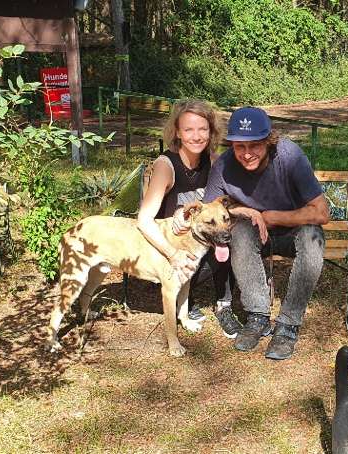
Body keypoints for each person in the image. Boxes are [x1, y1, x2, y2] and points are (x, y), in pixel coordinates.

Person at [202, 106, 329, 360]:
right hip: (254, 232)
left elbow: (322, 212)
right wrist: (247, 212)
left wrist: (272, 217)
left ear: (268, 141)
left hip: (295, 230)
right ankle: (257, 315)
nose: (247, 153)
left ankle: (288, 324)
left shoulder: (289, 155)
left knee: (312, 240)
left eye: (255, 145)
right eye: (240, 147)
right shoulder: (224, 165)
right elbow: (210, 209)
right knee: (239, 233)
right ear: (231, 144)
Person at [137, 99, 242, 338]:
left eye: (203, 129)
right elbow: (143, 219)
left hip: (202, 243)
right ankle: (184, 298)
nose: (196, 136)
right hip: (172, 248)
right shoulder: (166, 165)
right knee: (216, 246)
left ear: (211, 131)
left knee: (231, 238)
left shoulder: (214, 161)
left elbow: (228, 204)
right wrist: (172, 254)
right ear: (177, 132)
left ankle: (224, 305)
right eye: (189, 129)